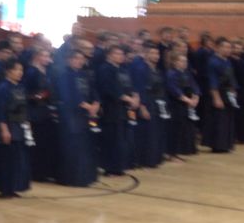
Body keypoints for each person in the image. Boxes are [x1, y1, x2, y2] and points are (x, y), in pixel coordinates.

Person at [55, 48, 100, 186]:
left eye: (82, 58)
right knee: (74, 147)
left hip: (86, 115)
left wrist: (96, 104)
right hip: (71, 116)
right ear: (69, 60)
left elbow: (94, 91)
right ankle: (73, 178)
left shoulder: (85, 75)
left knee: (86, 146)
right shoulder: (64, 76)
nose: (80, 61)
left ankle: (86, 176)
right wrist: (87, 106)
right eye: (76, 58)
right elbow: (68, 96)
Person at [0, 59, 32, 198]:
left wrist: (27, 124)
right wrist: (4, 129)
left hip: (20, 126)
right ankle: (4, 188)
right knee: (6, 159)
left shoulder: (21, 87)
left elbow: (25, 108)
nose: (20, 73)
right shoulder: (2, 88)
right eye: (16, 69)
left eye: (21, 70)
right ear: (8, 71)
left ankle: (14, 186)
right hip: (8, 125)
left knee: (18, 159)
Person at [96, 44, 139, 176]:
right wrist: (128, 99)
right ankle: (110, 168)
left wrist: (135, 97)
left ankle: (119, 166)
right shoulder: (105, 69)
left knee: (121, 139)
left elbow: (129, 85)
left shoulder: (123, 69)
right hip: (111, 109)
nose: (120, 56)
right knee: (111, 139)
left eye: (121, 54)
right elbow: (109, 89)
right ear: (109, 55)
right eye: (117, 54)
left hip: (123, 109)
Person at [130, 43, 167, 168]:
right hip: (147, 102)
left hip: (158, 103)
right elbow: (138, 89)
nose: (156, 56)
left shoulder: (157, 70)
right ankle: (145, 160)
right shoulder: (141, 69)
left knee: (157, 132)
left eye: (157, 53)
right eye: (152, 53)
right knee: (147, 133)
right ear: (146, 54)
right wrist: (142, 107)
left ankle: (156, 158)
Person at [21, 47, 55, 182]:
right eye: (44, 56)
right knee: (37, 142)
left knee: (45, 142)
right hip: (34, 112)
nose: (47, 59)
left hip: (45, 111)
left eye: (48, 56)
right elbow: (25, 92)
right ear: (36, 57)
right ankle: (35, 172)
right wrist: (37, 96)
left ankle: (44, 171)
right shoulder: (31, 72)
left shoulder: (46, 71)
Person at [204, 37, 237, 153]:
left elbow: (231, 77)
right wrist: (216, 98)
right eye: (225, 47)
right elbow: (212, 81)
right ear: (218, 48)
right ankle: (218, 146)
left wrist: (233, 90)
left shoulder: (227, 61)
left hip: (228, 94)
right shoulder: (213, 62)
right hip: (219, 93)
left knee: (228, 120)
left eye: (229, 47)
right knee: (219, 120)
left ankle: (227, 144)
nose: (228, 50)